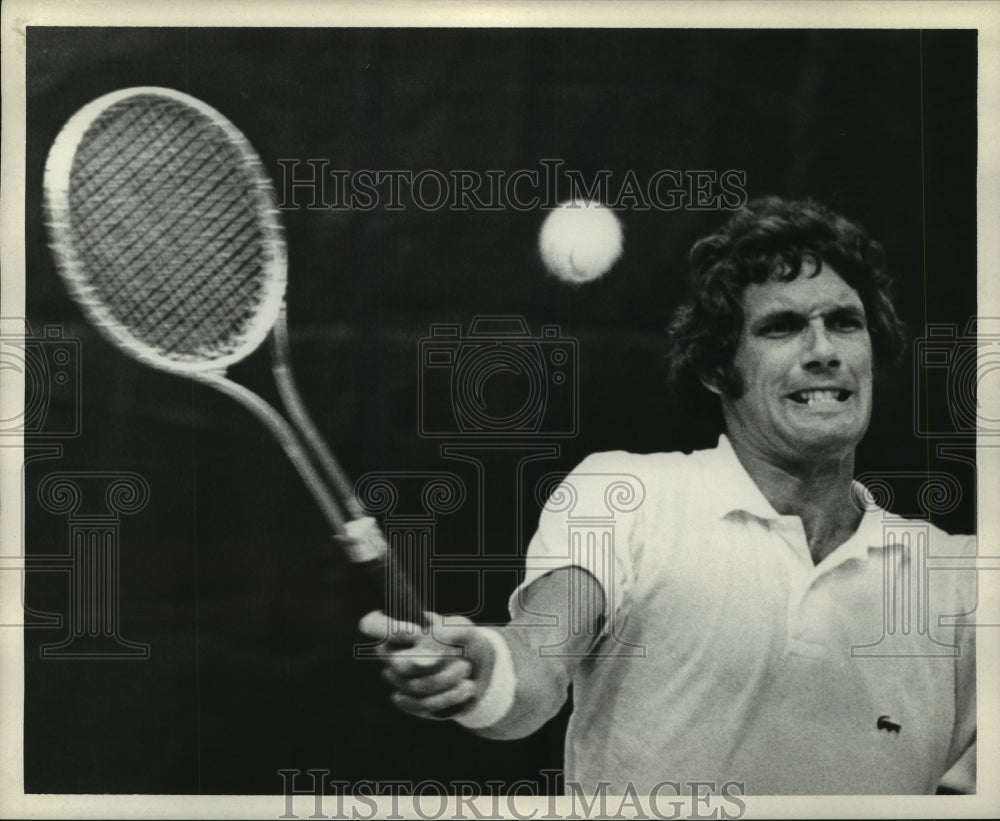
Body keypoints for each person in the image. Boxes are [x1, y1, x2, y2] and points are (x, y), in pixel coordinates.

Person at [358, 197, 977, 795]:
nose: (823, 352)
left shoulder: (961, 581)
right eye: (782, 328)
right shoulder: (624, 496)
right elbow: (536, 666)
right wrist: (481, 671)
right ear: (716, 369)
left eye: (845, 323)